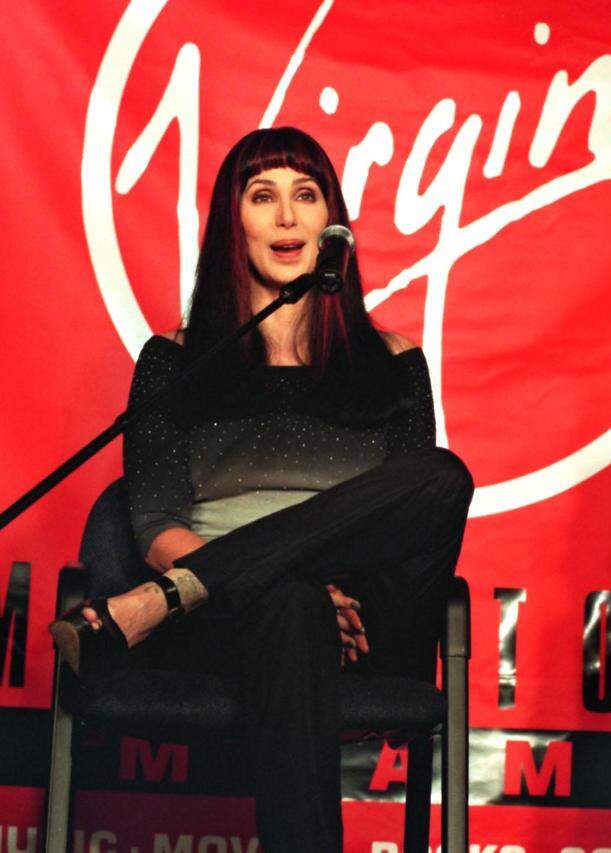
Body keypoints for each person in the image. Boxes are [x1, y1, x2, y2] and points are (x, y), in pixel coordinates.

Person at [49, 127, 474, 851]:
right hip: (228, 624)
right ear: (231, 221)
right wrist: (279, 575)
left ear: (331, 223)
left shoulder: (395, 360)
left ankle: (162, 600)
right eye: (263, 196)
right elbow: (151, 520)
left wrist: (201, 580)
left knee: (444, 476)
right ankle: (218, 590)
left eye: (306, 196)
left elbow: (410, 518)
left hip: (366, 617)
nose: (286, 218)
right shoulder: (175, 359)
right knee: (289, 598)